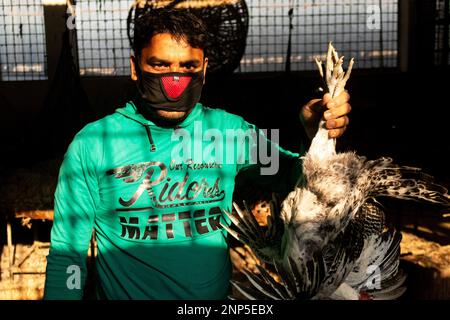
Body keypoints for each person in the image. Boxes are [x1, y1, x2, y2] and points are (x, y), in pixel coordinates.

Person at [44, 8, 351, 300]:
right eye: (160, 65)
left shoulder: (231, 131)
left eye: (188, 67)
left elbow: (293, 178)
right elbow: (68, 254)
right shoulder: (93, 144)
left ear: (204, 70)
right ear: (135, 68)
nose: (174, 82)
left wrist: (314, 135)